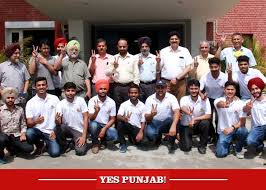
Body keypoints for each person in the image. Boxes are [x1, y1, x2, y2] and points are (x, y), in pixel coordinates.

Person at [25, 77, 60, 158]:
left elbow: (60, 118)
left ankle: (47, 144)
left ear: (47, 86)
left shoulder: (54, 99)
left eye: (43, 85)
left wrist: (55, 130)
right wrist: (35, 122)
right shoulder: (30, 102)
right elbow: (29, 123)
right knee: (29, 133)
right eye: (39, 85)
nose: (41, 87)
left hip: (51, 132)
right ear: (35, 87)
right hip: (38, 131)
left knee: (55, 153)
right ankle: (39, 145)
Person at [214, 81, 248, 159]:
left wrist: (232, 128)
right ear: (224, 90)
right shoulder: (219, 100)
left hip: (235, 129)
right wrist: (224, 104)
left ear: (235, 91)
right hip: (224, 131)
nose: (230, 91)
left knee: (243, 131)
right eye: (228, 89)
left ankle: (238, 149)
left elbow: (243, 122)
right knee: (220, 154)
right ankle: (229, 145)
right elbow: (219, 104)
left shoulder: (240, 103)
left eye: (232, 90)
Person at [144, 80, 180, 153]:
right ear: (155, 88)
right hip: (154, 122)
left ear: (166, 88)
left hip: (167, 122)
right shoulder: (150, 99)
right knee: (149, 134)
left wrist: (173, 125)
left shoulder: (171, 97)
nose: (160, 90)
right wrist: (152, 114)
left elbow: (177, 111)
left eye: (162, 87)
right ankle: (158, 138)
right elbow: (146, 117)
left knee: (172, 121)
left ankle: (171, 142)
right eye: (158, 87)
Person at [0, 87, 33, 164]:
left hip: (16, 135)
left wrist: (23, 133)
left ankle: (12, 149)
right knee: (1, 140)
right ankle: (0, 155)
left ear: (15, 99)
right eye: (8, 98)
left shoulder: (20, 109)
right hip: (4, 135)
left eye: (12, 98)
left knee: (29, 148)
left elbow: (23, 124)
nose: (10, 99)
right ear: (5, 98)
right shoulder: (0, 110)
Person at [55, 82, 89, 156]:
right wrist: (57, 121)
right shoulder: (60, 103)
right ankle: (64, 144)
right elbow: (59, 122)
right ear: (64, 91)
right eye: (68, 91)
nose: (70, 93)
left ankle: (74, 142)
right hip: (67, 129)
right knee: (57, 127)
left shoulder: (81, 101)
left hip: (79, 130)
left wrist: (84, 136)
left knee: (80, 152)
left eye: (72, 90)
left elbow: (86, 118)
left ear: (75, 91)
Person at [105, 38, 139, 109]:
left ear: (127, 46)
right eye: (120, 47)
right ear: (117, 47)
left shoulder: (133, 58)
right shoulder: (113, 58)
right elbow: (107, 73)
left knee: (130, 107)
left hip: (129, 87)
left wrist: (136, 86)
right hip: (117, 87)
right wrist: (114, 68)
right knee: (117, 107)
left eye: (124, 46)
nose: (122, 48)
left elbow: (136, 73)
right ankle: (119, 120)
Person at [199, 57, 228, 142]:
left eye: (216, 67)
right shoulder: (205, 76)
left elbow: (230, 87)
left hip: (220, 99)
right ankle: (211, 135)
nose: (214, 69)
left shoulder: (224, 76)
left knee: (219, 119)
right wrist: (201, 95)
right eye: (212, 67)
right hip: (209, 99)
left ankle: (219, 135)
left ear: (219, 66)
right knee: (208, 119)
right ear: (209, 67)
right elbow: (199, 90)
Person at [179, 79, 211, 154]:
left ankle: (202, 145)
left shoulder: (205, 100)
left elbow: (208, 115)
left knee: (205, 123)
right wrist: (188, 112)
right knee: (186, 148)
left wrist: (195, 119)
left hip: (197, 125)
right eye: (191, 89)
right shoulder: (184, 98)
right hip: (186, 126)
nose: (194, 91)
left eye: (196, 88)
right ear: (188, 89)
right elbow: (183, 107)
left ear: (199, 89)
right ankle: (185, 137)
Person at [160, 31, 193, 101]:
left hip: (181, 83)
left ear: (179, 40)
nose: (174, 40)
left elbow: (188, 67)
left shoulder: (185, 51)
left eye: (176, 39)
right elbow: (159, 68)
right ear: (169, 41)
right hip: (167, 83)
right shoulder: (163, 51)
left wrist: (177, 78)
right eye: (172, 39)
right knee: (167, 103)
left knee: (180, 103)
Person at [88, 79, 117, 154]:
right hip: (94, 124)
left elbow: (113, 119)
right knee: (93, 125)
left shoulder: (111, 102)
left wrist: (104, 129)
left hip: (105, 125)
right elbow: (90, 118)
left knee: (114, 135)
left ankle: (103, 141)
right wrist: (96, 111)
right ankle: (95, 143)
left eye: (105, 89)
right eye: (100, 89)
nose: (103, 91)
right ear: (97, 89)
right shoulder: (92, 100)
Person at [117, 84, 146, 153]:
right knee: (120, 123)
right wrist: (124, 118)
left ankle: (132, 138)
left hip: (137, 129)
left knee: (137, 143)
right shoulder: (124, 104)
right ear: (128, 94)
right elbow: (118, 116)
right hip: (127, 126)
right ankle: (123, 144)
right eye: (131, 93)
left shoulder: (142, 105)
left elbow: (143, 121)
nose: (133, 95)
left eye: (135, 93)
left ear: (138, 94)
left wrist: (141, 132)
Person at [244, 77, 266, 156]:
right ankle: (260, 145)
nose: (255, 91)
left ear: (261, 88)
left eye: (257, 88)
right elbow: (244, 111)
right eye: (252, 89)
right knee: (250, 141)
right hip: (257, 128)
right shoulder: (250, 102)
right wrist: (247, 108)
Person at [135, 36, 160, 102]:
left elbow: (158, 71)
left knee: (152, 103)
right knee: (140, 104)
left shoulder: (155, 57)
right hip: (139, 85)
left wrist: (158, 62)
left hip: (151, 85)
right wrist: (138, 64)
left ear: (149, 47)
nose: (144, 48)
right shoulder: (135, 58)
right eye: (142, 47)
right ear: (140, 48)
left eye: (146, 46)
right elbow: (131, 72)